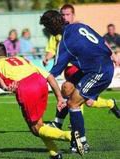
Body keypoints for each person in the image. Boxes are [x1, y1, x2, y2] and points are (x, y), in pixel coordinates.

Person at [40, 10, 119, 155]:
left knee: (73, 103)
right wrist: (113, 56)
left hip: (99, 71)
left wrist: (58, 98)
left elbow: (51, 76)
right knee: (67, 88)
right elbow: (102, 41)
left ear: (50, 28)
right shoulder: (79, 26)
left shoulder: (64, 43)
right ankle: (59, 122)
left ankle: (81, 143)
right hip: (100, 65)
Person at [0, 42, 84, 159]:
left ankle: (69, 135)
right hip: (40, 82)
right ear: (6, 53)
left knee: (35, 129)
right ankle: (54, 153)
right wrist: (59, 98)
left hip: (26, 87)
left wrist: (4, 87)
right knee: (40, 124)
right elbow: (49, 77)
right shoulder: (22, 59)